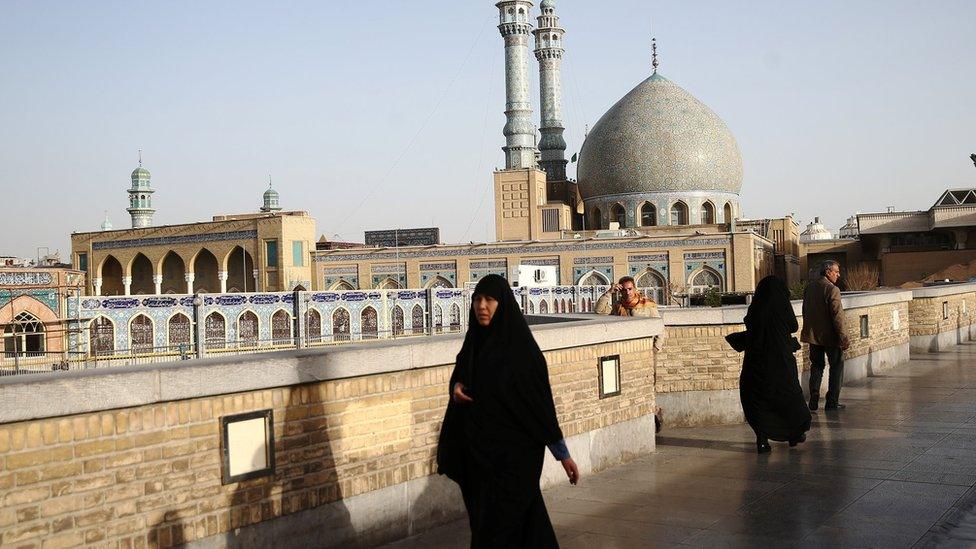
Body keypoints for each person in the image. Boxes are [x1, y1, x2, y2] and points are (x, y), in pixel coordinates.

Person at [437, 274, 579, 548]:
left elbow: (540, 407)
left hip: (516, 458)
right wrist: (455, 387)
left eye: (490, 299)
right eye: (478, 299)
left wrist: (562, 455)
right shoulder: (474, 343)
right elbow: (461, 374)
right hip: (479, 459)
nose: (482, 306)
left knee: (499, 528)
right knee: (517, 525)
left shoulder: (522, 352)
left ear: (503, 304)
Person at [727, 275, 811, 454]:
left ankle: (762, 440)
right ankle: (794, 434)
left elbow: (750, 324)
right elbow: (793, 326)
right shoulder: (782, 306)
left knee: (758, 399)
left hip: (757, 361)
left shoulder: (756, 308)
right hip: (780, 360)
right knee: (788, 397)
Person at [801, 260, 850, 411]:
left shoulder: (809, 288)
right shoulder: (832, 289)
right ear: (828, 272)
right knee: (836, 367)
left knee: (817, 365)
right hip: (830, 337)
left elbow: (805, 311)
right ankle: (832, 402)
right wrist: (843, 336)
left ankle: (814, 393)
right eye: (836, 271)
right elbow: (837, 316)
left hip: (813, 335)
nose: (838, 275)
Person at [595, 276, 661, 318]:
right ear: (620, 291)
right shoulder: (618, 305)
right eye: (624, 290)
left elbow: (658, 325)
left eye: (630, 289)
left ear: (635, 288)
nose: (627, 293)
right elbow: (599, 310)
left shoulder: (647, 304)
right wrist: (609, 292)